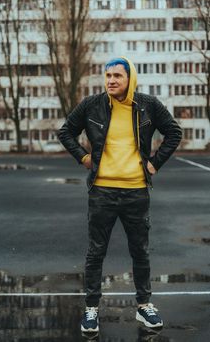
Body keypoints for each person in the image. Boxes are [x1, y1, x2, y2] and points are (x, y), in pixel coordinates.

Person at [58, 57, 182, 332]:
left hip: (137, 192)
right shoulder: (92, 105)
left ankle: (143, 306)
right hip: (102, 191)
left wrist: (154, 163)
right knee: (96, 252)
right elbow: (66, 131)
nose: (111, 80)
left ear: (130, 79)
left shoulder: (147, 105)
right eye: (108, 75)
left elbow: (174, 132)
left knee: (140, 251)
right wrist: (83, 158)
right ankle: (91, 310)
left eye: (117, 76)